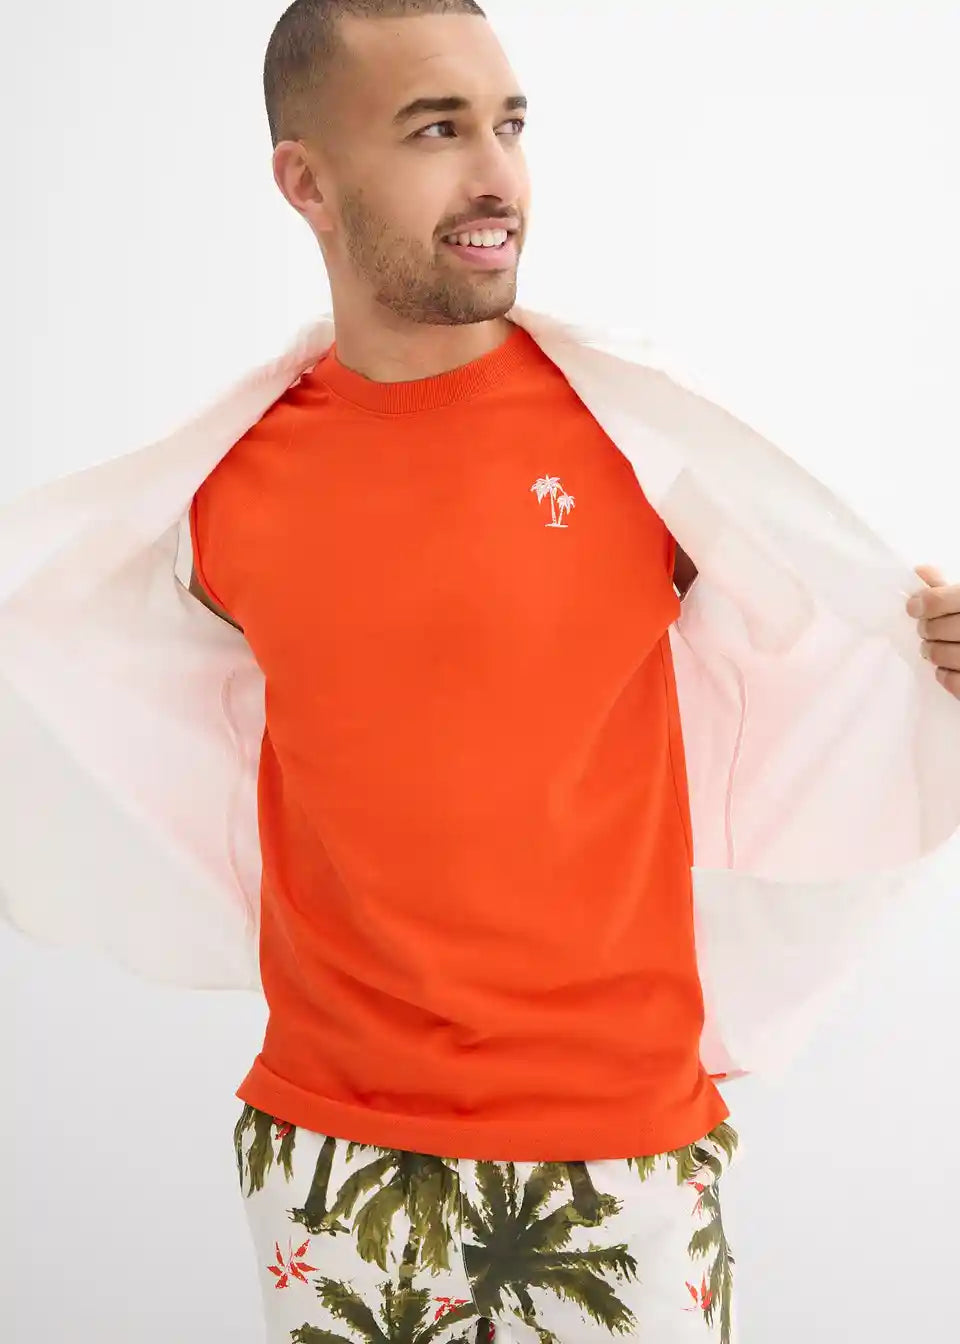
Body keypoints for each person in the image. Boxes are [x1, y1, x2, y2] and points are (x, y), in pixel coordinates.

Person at [3, 3, 959, 1343]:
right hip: (329, 1158)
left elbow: (831, 644)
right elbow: (103, 694)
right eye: (435, 131)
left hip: (622, 1155)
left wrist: (935, 666)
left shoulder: (646, 445)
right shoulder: (225, 492)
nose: (496, 173)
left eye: (509, 125)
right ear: (305, 182)